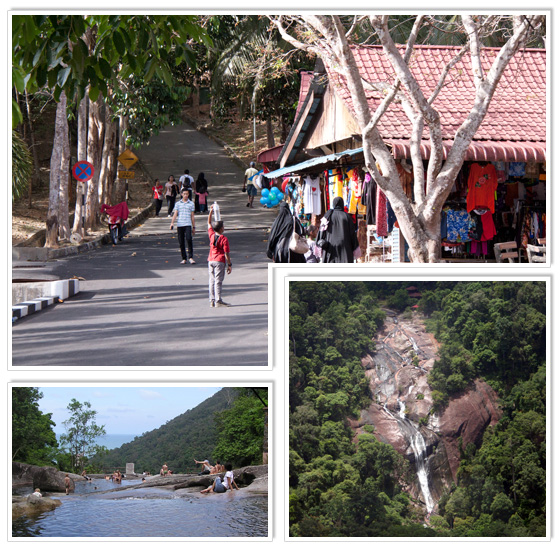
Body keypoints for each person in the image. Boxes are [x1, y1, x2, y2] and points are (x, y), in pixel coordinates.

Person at [316, 196, 360, 263]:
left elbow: (321, 232)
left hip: (330, 248)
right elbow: (352, 234)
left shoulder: (328, 216)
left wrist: (319, 243)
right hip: (345, 249)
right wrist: (355, 247)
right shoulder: (347, 217)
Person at [207, 205, 232, 308]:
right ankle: (218, 300)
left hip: (210, 260)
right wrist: (229, 264)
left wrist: (211, 212)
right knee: (218, 281)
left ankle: (211, 300)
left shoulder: (211, 235)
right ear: (221, 228)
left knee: (211, 280)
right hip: (219, 261)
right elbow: (226, 253)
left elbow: (209, 223)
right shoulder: (224, 239)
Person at [170, 189, 196, 264]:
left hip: (188, 224)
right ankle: (184, 258)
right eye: (184, 194)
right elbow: (175, 214)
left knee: (189, 239)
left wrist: (194, 227)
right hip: (180, 224)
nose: (185, 195)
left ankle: (190, 257)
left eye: (187, 194)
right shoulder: (178, 204)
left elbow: (192, 216)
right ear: (181, 194)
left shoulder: (191, 203)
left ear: (188, 194)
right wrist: (172, 223)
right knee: (181, 242)